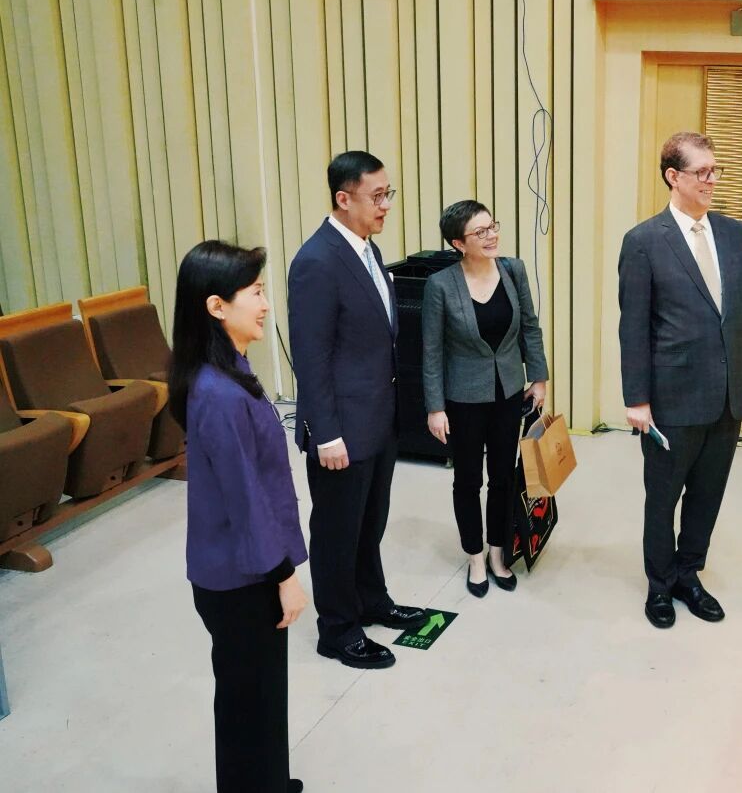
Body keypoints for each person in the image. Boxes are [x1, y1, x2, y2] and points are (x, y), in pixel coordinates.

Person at [618, 131, 742, 629]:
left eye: (714, 170)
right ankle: (659, 585)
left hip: (726, 397)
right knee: (663, 498)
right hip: (671, 399)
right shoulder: (643, 242)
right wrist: (637, 399)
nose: (711, 180)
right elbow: (633, 328)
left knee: (707, 496)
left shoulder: (733, 234)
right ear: (673, 176)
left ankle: (688, 575)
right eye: (701, 171)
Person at [170, 240, 308, 793]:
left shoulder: (229, 371)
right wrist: (284, 575)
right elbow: (245, 498)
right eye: (254, 292)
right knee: (249, 704)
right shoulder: (219, 393)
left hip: (242, 567)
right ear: (216, 306)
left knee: (259, 698)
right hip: (241, 578)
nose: (265, 304)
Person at [288, 151, 427, 669]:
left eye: (389, 194)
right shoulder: (317, 262)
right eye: (377, 196)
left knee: (370, 524)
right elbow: (311, 357)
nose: (386, 205)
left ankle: (371, 600)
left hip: (378, 420)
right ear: (343, 199)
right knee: (337, 532)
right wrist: (325, 434)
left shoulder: (367, 250)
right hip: (341, 430)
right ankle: (338, 629)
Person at [422, 200, 548, 597]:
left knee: (503, 476)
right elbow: (431, 352)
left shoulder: (513, 270)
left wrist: (539, 377)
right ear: (459, 243)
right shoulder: (441, 285)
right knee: (468, 479)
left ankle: (497, 552)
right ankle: (474, 557)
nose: (492, 235)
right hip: (463, 398)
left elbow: (530, 327)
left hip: (508, 391)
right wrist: (435, 407)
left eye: (492, 226)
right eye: (481, 232)